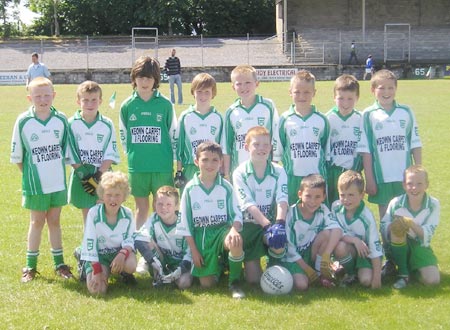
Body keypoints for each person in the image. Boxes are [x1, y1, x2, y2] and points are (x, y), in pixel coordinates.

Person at [10, 77, 80, 283]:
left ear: (54, 96)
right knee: (37, 221)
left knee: (55, 221)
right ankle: (30, 267)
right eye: (38, 96)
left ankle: (60, 264)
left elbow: (68, 150)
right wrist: (31, 175)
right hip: (35, 184)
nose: (42, 100)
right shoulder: (24, 121)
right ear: (29, 97)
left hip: (57, 182)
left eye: (46, 95)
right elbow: (18, 157)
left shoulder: (61, 120)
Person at [357, 69, 422, 276]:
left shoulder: (406, 111)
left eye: (390, 88)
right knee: (386, 222)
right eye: (381, 88)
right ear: (373, 90)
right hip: (382, 178)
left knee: (406, 219)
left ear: (396, 89)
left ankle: (410, 259)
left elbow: (415, 143)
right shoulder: (368, 114)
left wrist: (418, 172)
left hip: (406, 179)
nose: (386, 92)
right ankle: (390, 261)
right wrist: (370, 178)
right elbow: (366, 150)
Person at [176, 141, 245, 299]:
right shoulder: (190, 189)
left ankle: (234, 283)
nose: (210, 164)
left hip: (222, 232)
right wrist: (194, 250)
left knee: (235, 240)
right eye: (205, 160)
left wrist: (234, 230)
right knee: (207, 284)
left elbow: (236, 214)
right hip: (202, 237)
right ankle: (222, 265)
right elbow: (184, 223)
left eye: (215, 160)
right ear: (196, 162)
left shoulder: (226, 187)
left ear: (221, 163)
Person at [119, 55, 177, 229]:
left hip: (162, 166)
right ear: (134, 78)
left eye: (149, 78)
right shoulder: (127, 105)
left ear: (156, 79)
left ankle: (163, 247)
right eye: (140, 77)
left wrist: (174, 161)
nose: (144, 82)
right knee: (141, 208)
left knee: (163, 208)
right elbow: (123, 135)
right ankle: (141, 247)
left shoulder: (165, 104)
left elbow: (174, 133)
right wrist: (131, 155)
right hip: (138, 166)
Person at [232, 126, 289, 284]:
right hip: (250, 225)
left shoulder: (279, 170)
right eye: (256, 144)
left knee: (278, 241)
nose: (261, 149)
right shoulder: (239, 172)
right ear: (246, 146)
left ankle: (275, 265)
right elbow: (248, 204)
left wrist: (279, 224)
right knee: (253, 281)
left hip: (271, 224)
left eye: (266, 145)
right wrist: (267, 226)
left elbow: (282, 199)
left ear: (271, 147)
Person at [68, 81, 120, 225]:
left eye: (94, 100)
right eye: (85, 100)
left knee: (104, 213)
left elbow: (111, 151)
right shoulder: (71, 124)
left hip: (103, 174)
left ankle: (105, 245)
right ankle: (88, 245)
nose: (90, 104)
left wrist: (99, 175)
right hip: (81, 175)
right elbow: (70, 151)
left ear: (100, 101)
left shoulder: (107, 124)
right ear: (78, 101)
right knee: (88, 215)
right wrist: (84, 175)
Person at [380, 165, 440, 289]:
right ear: (404, 185)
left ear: (426, 185)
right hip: (398, 245)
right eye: (410, 183)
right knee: (398, 228)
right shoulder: (395, 203)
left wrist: (410, 223)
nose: (414, 188)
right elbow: (383, 227)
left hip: (420, 246)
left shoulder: (434, 204)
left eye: (419, 183)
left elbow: (427, 234)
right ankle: (403, 275)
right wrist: (394, 225)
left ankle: (412, 270)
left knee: (432, 281)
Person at [275, 70, 330, 205]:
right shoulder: (285, 119)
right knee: (292, 215)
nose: (302, 96)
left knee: (318, 216)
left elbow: (325, 149)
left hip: (317, 177)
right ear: (290, 92)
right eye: (297, 92)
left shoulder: (322, 119)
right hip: (292, 178)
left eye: (307, 92)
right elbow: (278, 150)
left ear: (314, 93)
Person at [281, 174, 342, 291]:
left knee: (327, 234)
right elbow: (289, 249)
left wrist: (327, 254)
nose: (312, 201)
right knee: (301, 285)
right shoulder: (291, 214)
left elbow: (337, 230)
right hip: (293, 258)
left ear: (324, 197)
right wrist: (306, 269)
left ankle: (321, 273)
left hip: (311, 253)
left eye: (317, 197)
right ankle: (314, 274)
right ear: (300, 194)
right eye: (308, 196)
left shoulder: (323, 209)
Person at [80, 171, 137, 295]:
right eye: (109, 194)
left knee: (131, 265)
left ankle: (122, 272)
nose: (113, 199)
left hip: (117, 254)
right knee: (98, 291)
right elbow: (89, 242)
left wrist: (122, 254)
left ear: (124, 196)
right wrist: (96, 269)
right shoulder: (93, 214)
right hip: (99, 256)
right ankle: (82, 260)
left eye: (117, 195)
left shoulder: (127, 214)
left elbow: (131, 238)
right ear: (102, 195)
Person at [223, 64, 279, 178]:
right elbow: (227, 145)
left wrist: (275, 164)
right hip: (239, 170)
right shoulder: (231, 112)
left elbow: (275, 138)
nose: (244, 87)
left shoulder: (268, 106)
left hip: (265, 168)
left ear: (257, 83)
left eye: (248, 82)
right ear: (233, 87)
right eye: (239, 84)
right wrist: (227, 174)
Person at [134, 185, 193, 289]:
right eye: (160, 204)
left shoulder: (184, 222)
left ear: (176, 206)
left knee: (184, 283)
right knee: (146, 239)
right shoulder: (153, 218)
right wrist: (152, 261)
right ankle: (156, 269)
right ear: (155, 204)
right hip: (162, 260)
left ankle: (170, 277)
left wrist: (179, 271)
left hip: (181, 262)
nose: (164, 208)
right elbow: (139, 238)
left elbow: (190, 254)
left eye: (169, 204)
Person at [332, 170, 382, 289]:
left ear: (362, 195)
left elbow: (375, 249)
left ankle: (361, 271)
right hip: (348, 249)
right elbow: (335, 233)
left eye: (351, 195)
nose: (346, 199)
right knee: (340, 247)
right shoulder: (335, 208)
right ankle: (350, 274)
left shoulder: (367, 217)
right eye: (342, 195)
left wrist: (377, 279)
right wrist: (354, 240)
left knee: (366, 281)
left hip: (365, 253)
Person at [175, 73, 224, 189]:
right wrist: (179, 171)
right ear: (193, 92)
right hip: (190, 167)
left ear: (213, 94)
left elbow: (222, 147)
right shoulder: (186, 116)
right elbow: (179, 146)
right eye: (199, 92)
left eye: (207, 92)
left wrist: (221, 170)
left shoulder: (218, 117)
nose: (203, 96)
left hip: (212, 167)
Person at [326, 74, 363, 205]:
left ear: (357, 98)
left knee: (352, 208)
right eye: (341, 98)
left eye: (350, 99)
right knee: (332, 207)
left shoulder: (361, 119)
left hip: (354, 173)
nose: (345, 103)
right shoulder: (327, 119)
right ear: (334, 97)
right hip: (332, 173)